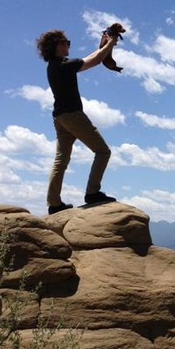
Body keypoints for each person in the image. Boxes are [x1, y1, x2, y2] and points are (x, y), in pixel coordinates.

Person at [36, 29, 120, 214]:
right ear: (57, 45)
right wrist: (111, 43)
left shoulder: (54, 65)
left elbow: (90, 58)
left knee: (61, 160)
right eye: (66, 42)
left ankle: (54, 203)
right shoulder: (63, 65)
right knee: (103, 151)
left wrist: (104, 44)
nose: (68, 45)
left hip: (59, 117)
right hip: (73, 116)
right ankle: (92, 193)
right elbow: (95, 60)